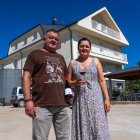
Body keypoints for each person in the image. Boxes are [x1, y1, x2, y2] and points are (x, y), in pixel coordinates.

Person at [22, 29, 71, 140]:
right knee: (40, 138)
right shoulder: (34, 54)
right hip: (41, 105)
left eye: (56, 39)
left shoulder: (61, 57)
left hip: (63, 105)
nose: (54, 40)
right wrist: (28, 100)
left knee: (64, 137)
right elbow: (26, 77)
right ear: (44, 39)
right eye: (51, 37)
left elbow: (66, 78)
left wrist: (69, 90)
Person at [67, 37, 111, 140]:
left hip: (96, 99)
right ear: (78, 48)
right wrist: (76, 82)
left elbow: (101, 80)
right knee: (83, 124)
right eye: (82, 46)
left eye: (87, 46)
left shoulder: (95, 61)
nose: (84, 48)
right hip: (80, 100)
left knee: (98, 125)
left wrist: (107, 98)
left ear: (90, 49)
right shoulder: (72, 63)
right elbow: (68, 81)